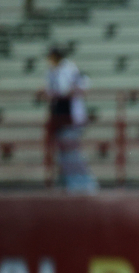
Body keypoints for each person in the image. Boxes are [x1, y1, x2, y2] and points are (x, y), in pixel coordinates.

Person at [45, 47, 97, 192]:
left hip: (71, 117)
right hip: (59, 116)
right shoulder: (52, 71)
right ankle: (71, 184)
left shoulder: (69, 68)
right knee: (64, 153)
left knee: (71, 152)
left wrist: (71, 90)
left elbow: (84, 82)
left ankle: (85, 184)